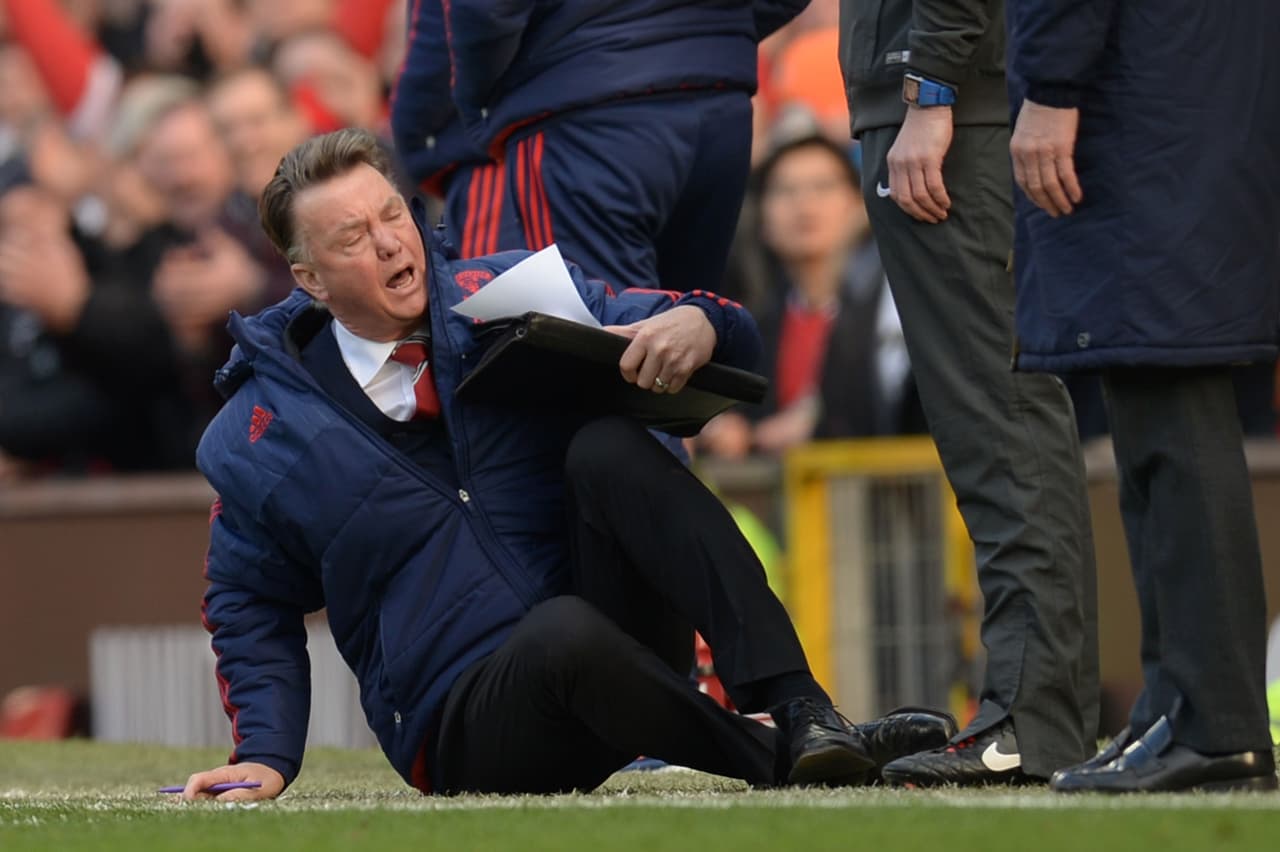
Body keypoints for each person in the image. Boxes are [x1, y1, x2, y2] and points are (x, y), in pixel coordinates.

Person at [181, 128, 955, 800]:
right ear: (309, 280)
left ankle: (802, 707)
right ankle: (805, 762)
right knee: (562, 634)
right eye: (352, 237)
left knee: (611, 447)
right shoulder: (256, 431)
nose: (389, 242)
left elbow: (702, 326)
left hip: (626, 653)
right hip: (464, 724)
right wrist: (266, 754)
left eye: (392, 215)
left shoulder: (504, 292)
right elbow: (247, 600)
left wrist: (704, 324)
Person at [1006, 0, 1280, 793]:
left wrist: (1053, 87)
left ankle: (1213, 722)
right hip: (1198, 96)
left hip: (1145, 103)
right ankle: (1176, 707)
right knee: (1157, 405)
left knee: (1172, 412)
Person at [837, 0, 1099, 785]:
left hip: (948, 107)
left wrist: (932, 86)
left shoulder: (935, 94)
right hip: (944, 96)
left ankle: (1032, 720)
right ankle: (1039, 714)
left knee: (1000, 418)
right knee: (1001, 415)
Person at [397, 0, 810, 293]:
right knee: (684, 345)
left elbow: (484, 10)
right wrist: (705, 39)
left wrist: (477, 104)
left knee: (592, 349)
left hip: (583, 110)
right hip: (719, 101)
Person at [700, 133, 923, 462]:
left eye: (823, 187)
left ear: (859, 205)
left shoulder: (896, 312)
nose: (804, 205)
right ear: (762, 218)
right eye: (785, 191)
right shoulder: (750, 331)